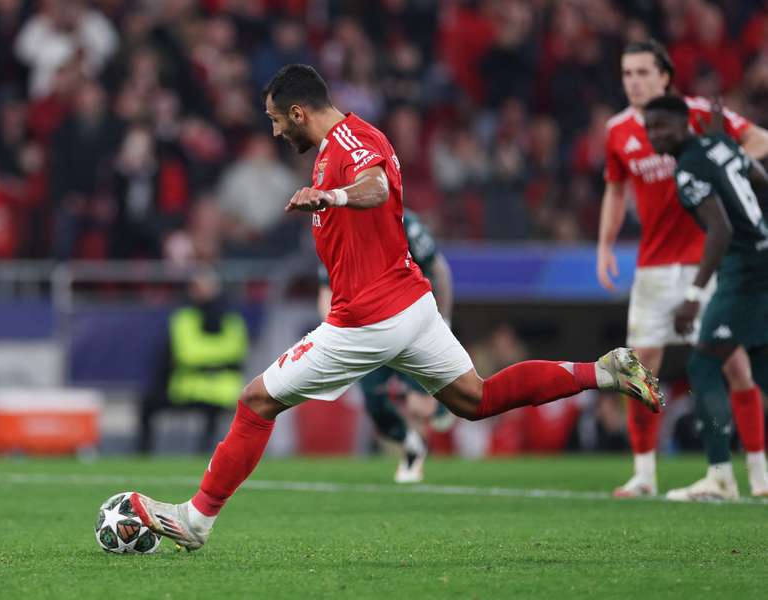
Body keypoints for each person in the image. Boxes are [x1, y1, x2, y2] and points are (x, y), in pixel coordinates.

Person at [129, 64, 663, 552]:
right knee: (475, 398)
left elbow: (376, 187)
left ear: (298, 113)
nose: (274, 132)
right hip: (411, 307)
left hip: (369, 319)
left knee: (256, 403)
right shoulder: (341, 145)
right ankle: (603, 371)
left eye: (275, 120)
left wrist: (333, 197)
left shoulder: (351, 143)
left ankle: (196, 520)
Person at [596, 39, 768, 497]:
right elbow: (616, 189)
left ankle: (758, 471)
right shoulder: (617, 131)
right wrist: (605, 245)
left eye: (642, 72)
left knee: (733, 366)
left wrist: (727, 157)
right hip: (653, 265)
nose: (633, 81)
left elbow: (759, 139)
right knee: (639, 368)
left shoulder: (694, 114)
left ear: (665, 76)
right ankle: (645, 475)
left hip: (705, 261)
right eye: (626, 73)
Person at [643, 95, 768, 500]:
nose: (654, 135)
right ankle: (754, 475)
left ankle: (720, 477)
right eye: (649, 128)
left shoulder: (688, 169)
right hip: (762, 256)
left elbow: (720, 231)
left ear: (685, 125)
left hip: (744, 270)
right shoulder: (721, 144)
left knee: (702, 364)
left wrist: (694, 295)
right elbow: (760, 178)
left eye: (662, 126)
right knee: (761, 364)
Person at [317, 208, 455, 483]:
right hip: (369, 331)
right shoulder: (336, 233)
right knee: (376, 405)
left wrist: (446, 319)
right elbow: (326, 291)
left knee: (418, 406)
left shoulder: (407, 225)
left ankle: (413, 464)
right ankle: (411, 441)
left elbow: (439, 271)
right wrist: (333, 331)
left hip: (413, 325)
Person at [137, 269, 249, 454]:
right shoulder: (185, 318)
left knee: (213, 411)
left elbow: (233, 353)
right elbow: (189, 354)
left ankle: (207, 456)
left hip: (219, 391)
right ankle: (142, 454)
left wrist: (204, 359)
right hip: (190, 388)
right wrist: (217, 360)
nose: (201, 292)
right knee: (147, 402)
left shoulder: (231, 321)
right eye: (197, 287)